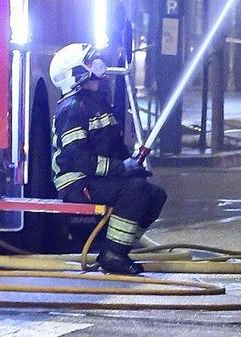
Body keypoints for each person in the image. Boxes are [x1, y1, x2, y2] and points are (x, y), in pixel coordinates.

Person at [52, 44, 167, 273]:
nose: (98, 65)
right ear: (74, 73)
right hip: (77, 182)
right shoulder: (72, 108)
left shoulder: (97, 103)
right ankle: (114, 255)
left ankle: (114, 247)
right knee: (135, 190)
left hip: (97, 177)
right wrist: (121, 168)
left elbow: (112, 146)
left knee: (154, 194)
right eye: (90, 62)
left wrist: (131, 164)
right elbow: (77, 158)